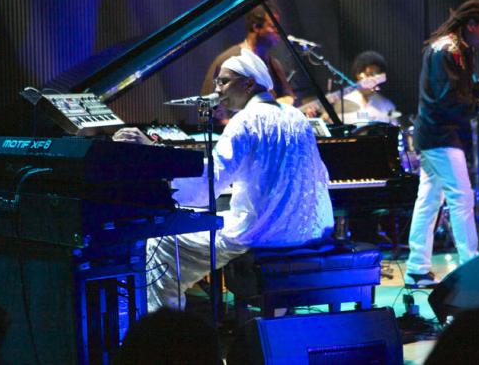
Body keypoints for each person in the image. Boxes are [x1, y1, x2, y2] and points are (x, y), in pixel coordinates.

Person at [114, 49, 334, 310]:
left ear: (249, 83)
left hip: (265, 232)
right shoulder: (296, 115)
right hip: (310, 228)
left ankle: (166, 329)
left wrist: (154, 155)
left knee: (160, 244)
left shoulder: (245, 121)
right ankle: (276, 317)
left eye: (224, 81)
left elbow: (210, 182)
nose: (217, 89)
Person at [405, 0, 479, 288]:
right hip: (440, 135)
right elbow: (449, 100)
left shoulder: (458, 49)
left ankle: (417, 269)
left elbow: (460, 90)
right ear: (471, 26)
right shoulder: (448, 50)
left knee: (429, 201)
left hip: (436, 134)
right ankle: (471, 267)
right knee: (462, 198)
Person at [201, 1, 295, 106]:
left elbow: (287, 98)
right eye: (273, 26)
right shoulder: (229, 60)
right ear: (256, 27)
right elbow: (206, 105)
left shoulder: (273, 63)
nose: (278, 31)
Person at [340, 50, 398, 125]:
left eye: (376, 76)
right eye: (369, 74)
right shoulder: (343, 103)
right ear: (358, 74)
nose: (373, 80)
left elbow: (394, 132)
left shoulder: (388, 105)